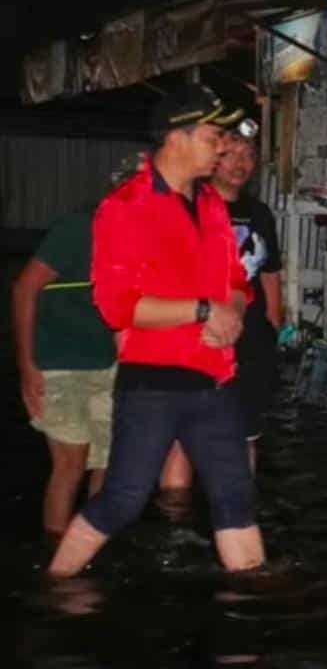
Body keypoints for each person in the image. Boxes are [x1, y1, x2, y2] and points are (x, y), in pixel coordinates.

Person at [48, 83, 266, 577]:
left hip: (215, 378)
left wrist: (231, 312)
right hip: (153, 384)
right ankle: (55, 584)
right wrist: (205, 311)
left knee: (235, 497)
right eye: (213, 136)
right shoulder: (125, 206)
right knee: (123, 500)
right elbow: (117, 307)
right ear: (176, 138)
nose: (223, 147)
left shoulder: (211, 204)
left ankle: (253, 605)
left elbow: (237, 279)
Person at [160, 125, 283, 487]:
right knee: (182, 434)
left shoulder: (260, 213)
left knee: (246, 429)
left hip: (250, 336)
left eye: (249, 155)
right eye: (231, 154)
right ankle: (176, 513)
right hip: (196, 332)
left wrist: (274, 325)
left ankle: (240, 503)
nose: (240, 163)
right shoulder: (188, 204)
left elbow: (270, 272)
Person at [12, 210, 116, 538]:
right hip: (59, 365)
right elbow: (23, 289)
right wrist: (27, 367)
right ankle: (56, 554)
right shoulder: (78, 228)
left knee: (109, 462)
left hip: (109, 363)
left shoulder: (139, 234)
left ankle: (90, 544)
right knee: (70, 464)